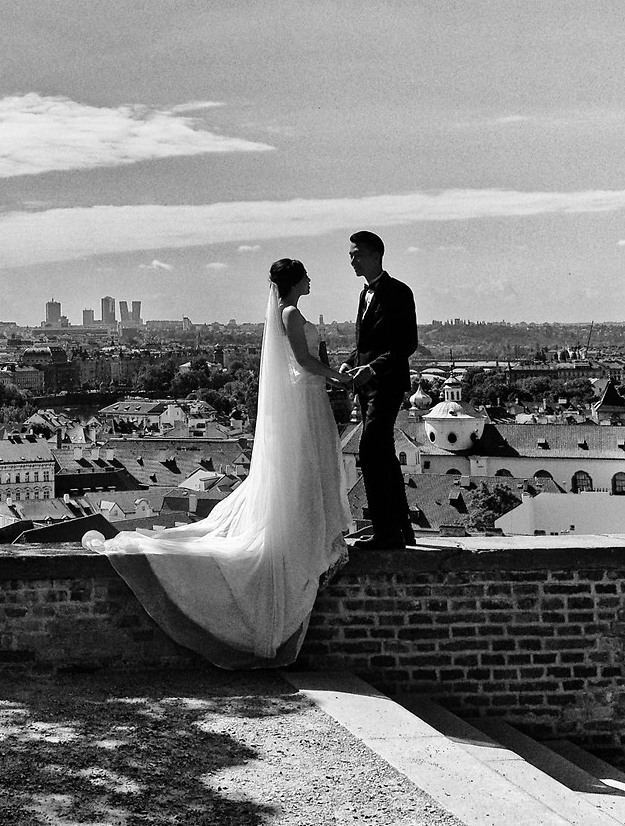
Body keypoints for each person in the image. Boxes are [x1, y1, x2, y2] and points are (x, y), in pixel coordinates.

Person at [83, 257, 353, 667]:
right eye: (307, 274)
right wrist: (341, 377)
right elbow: (301, 362)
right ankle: (306, 536)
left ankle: (304, 530)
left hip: (305, 399)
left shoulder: (285, 312)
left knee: (299, 470)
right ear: (295, 281)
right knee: (306, 468)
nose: (313, 278)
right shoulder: (293, 311)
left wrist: (332, 371)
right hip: (307, 399)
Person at [340, 230, 419, 548]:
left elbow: (406, 344)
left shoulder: (399, 291)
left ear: (375, 255)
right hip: (367, 384)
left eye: (356, 253)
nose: (352, 259)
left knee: (371, 450)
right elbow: (368, 344)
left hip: (386, 383)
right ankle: (402, 530)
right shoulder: (363, 295)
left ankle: (386, 533)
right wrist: (349, 362)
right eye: (350, 255)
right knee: (384, 455)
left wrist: (371, 369)